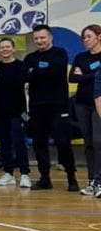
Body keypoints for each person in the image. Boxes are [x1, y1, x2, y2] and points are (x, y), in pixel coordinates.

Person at [23, 24, 80, 192]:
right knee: (39, 144)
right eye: (36, 38)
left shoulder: (60, 53)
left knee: (63, 142)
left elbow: (55, 71)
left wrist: (35, 72)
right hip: (36, 107)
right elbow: (25, 75)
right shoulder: (30, 57)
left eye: (42, 37)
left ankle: (72, 178)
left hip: (58, 107)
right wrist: (40, 71)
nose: (39, 41)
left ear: (50, 37)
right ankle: (45, 179)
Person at [0, 36, 31, 188]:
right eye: (2, 47)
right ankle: (8, 173)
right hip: (0, 111)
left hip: (17, 112)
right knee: (4, 143)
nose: (5, 49)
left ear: (13, 49)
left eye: (7, 47)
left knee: (19, 142)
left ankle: (25, 174)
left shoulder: (21, 66)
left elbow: (28, 86)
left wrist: (25, 112)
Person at [69, 23, 101, 195]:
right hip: (82, 103)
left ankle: (99, 180)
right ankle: (91, 180)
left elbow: (91, 77)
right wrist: (93, 75)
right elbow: (72, 78)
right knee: (88, 143)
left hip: (99, 102)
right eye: (84, 37)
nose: (86, 40)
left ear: (99, 36)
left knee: (98, 141)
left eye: (89, 36)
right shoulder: (81, 57)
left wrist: (85, 75)